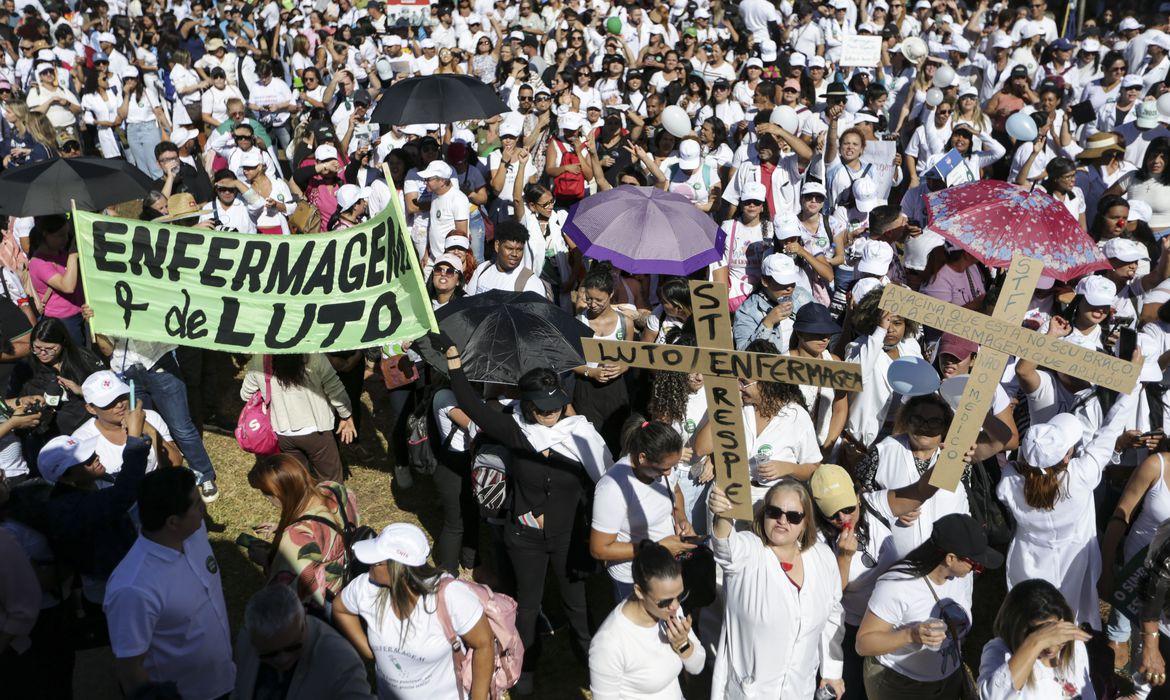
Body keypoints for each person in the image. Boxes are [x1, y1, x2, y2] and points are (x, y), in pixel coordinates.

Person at [443, 337, 610, 694]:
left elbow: (605, 484)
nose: (549, 415)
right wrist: (456, 367)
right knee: (528, 606)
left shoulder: (581, 435)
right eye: (541, 409)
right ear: (526, 405)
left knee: (577, 606)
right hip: (525, 540)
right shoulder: (516, 431)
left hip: (568, 538)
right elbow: (472, 406)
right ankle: (526, 669)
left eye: (554, 407)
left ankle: (593, 665)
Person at [707, 477, 845, 698]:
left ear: (805, 522)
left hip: (800, 691)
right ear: (763, 514)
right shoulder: (749, 551)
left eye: (793, 516)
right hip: (750, 692)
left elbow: (833, 615)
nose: (782, 520)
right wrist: (723, 514)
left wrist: (832, 672)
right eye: (774, 512)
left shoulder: (823, 557)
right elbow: (725, 546)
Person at [104, 467, 235, 700]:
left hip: (225, 678)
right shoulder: (132, 589)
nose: (204, 508)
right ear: (173, 522)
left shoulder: (194, 532)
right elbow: (130, 668)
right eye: (196, 504)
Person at [331, 522, 495, 700]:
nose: (368, 564)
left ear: (397, 569)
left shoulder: (449, 596)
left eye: (375, 561)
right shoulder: (365, 588)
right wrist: (370, 652)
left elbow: (484, 644)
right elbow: (340, 609)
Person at [855, 513, 1003, 699]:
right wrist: (911, 634)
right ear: (950, 558)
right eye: (974, 564)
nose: (976, 569)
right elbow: (863, 643)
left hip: (948, 679)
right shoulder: (898, 585)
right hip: (903, 686)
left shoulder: (960, 577)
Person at [590, 418, 694, 601]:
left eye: (672, 467)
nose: (669, 473)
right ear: (642, 458)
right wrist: (658, 547)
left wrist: (681, 517)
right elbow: (599, 549)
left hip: (667, 566)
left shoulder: (664, 465)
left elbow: (675, 490)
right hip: (635, 579)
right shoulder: (613, 488)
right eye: (664, 469)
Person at [588, 541, 706, 698]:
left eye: (679, 596)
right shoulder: (609, 644)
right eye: (665, 601)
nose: (675, 606)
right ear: (639, 591)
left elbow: (697, 667)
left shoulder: (669, 610)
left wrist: (683, 644)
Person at [245, 454, 361, 611]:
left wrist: (268, 561)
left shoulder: (296, 538)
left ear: (278, 495)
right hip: (350, 583)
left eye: (267, 495)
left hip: (330, 607)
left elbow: (290, 596)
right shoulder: (335, 490)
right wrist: (282, 527)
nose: (268, 501)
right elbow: (327, 527)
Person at [233, 583, 374, 700]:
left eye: (292, 647)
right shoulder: (246, 640)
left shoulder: (341, 661)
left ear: (304, 621)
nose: (283, 659)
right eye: (269, 654)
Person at [239, 353, 356, 483]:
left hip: (284, 433)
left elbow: (245, 394)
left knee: (300, 483)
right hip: (318, 432)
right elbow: (336, 390)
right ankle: (331, 501)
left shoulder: (260, 359)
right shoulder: (314, 356)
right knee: (331, 481)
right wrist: (346, 416)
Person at [977, 579, 1094, 700]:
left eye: (1054, 632)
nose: (1051, 647)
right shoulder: (1000, 650)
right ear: (1016, 628)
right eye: (1042, 634)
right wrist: (1035, 642)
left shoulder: (1076, 646)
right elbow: (992, 697)